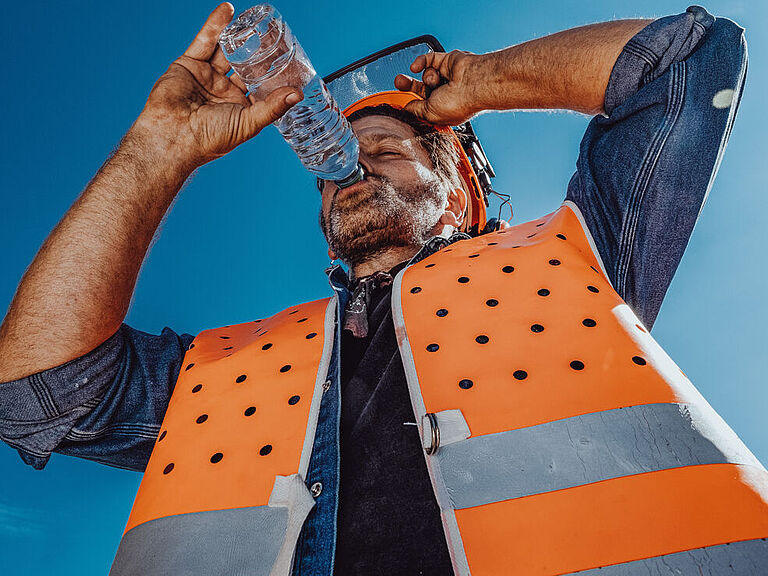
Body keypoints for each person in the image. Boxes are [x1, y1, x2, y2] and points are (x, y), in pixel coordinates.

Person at [0, 3, 762, 575]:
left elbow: (688, 61)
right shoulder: (223, 367)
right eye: (336, 165)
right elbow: (38, 384)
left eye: (390, 148)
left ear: (462, 188)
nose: (351, 170)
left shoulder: (573, 260)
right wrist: (157, 147)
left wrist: (481, 82)